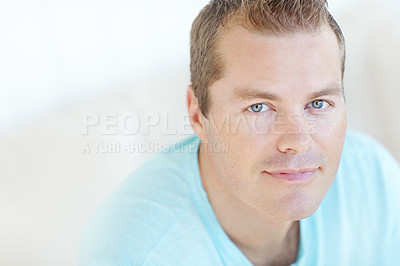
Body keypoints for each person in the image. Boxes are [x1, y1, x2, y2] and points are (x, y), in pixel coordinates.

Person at [80, 0, 400, 265]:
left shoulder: (373, 181)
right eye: (259, 107)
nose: (298, 142)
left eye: (318, 102)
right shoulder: (134, 251)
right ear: (197, 115)